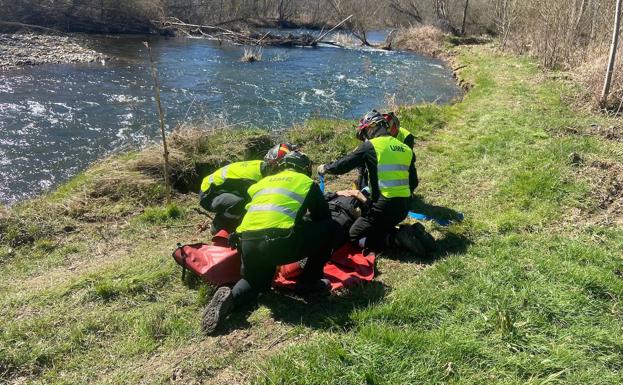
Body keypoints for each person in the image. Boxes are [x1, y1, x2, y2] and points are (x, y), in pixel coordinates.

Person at [201, 150, 333, 334]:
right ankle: (309, 283)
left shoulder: (261, 183)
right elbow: (323, 217)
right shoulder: (305, 182)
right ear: (303, 168)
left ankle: (231, 298)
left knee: (254, 282)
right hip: (278, 242)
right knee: (330, 228)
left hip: (247, 242)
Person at [317, 110, 423, 254]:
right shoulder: (406, 148)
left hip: (384, 207)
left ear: (372, 126)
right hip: (403, 208)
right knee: (377, 222)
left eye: (365, 132)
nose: (365, 136)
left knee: (354, 235)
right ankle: (407, 231)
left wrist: (326, 168)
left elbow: (344, 165)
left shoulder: (371, 146)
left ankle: (395, 239)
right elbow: (413, 182)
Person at [198, 143, 296, 234]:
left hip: (220, 190)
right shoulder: (254, 177)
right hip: (209, 195)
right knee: (242, 203)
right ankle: (218, 227)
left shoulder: (262, 168)